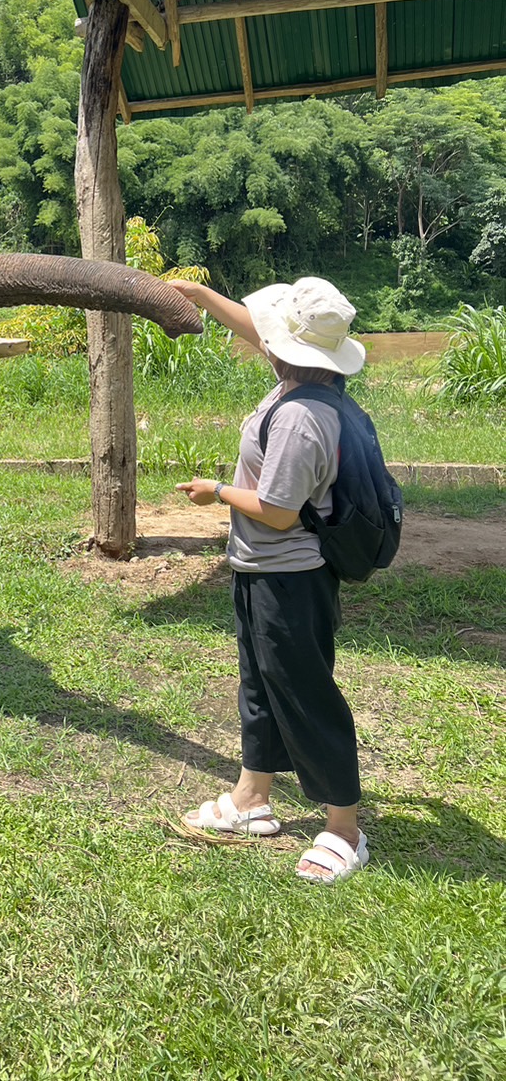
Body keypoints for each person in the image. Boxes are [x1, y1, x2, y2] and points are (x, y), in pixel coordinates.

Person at [170, 276, 369, 885]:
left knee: (306, 696)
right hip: (263, 571)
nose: (260, 339)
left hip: (291, 578)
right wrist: (199, 296)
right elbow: (259, 331)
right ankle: (252, 798)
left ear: (288, 350)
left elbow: (280, 511)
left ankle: (345, 829)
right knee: (260, 687)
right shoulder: (306, 383)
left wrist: (217, 492)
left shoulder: (301, 419)